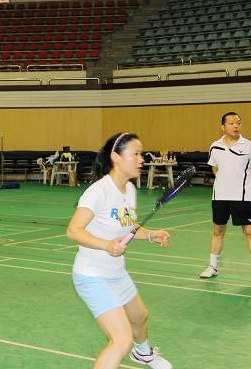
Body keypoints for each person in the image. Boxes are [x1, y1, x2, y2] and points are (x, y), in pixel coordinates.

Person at [67, 132, 172, 369]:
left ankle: (143, 354)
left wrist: (150, 234)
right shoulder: (99, 191)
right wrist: (106, 245)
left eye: (141, 154)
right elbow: (73, 230)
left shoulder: (129, 189)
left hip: (116, 273)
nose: (141, 159)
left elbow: (128, 226)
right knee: (121, 341)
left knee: (140, 317)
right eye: (136, 154)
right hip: (92, 276)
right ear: (116, 157)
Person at [199, 112, 251, 286]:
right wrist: (224, 182)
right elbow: (215, 168)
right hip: (220, 197)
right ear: (223, 126)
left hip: (242, 197)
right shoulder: (215, 146)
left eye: (238, 123)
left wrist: (243, 184)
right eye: (232, 123)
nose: (236, 126)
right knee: (218, 231)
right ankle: (212, 266)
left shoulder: (249, 146)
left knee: (250, 233)